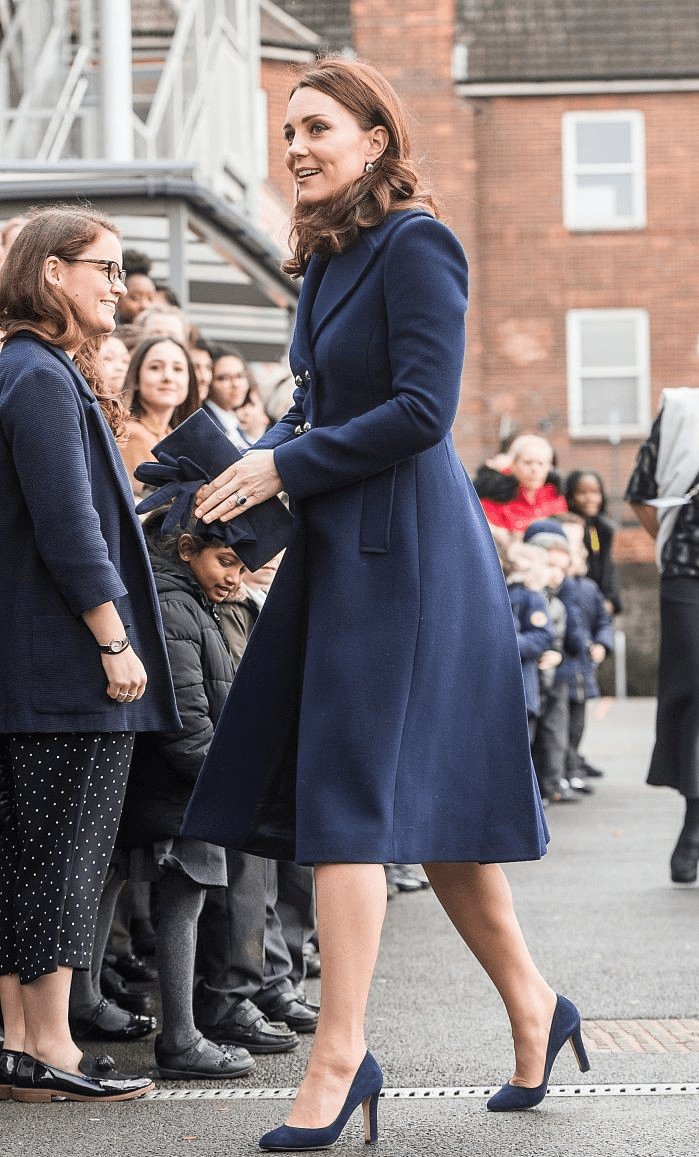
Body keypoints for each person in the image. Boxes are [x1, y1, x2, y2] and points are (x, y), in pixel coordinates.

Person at [183, 57, 589, 1150]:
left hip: (410, 553)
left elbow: (422, 410)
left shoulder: (419, 243)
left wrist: (287, 466)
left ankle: (341, 1050)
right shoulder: (322, 262)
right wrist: (243, 469)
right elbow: (314, 405)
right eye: (287, 132)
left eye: (316, 127)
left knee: (351, 799)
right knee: (439, 822)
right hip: (341, 550)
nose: (296, 146)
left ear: (374, 138)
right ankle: (538, 1009)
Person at [0, 205, 180, 1102]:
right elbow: (70, 528)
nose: (119, 284)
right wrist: (114, 638)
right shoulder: (37, 375)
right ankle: (48, 1050)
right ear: (51, 274)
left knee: (30, 854)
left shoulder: (33, 370)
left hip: (38, 663)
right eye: (103, 268)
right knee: (63, 856)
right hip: (68, 664)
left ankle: (21, 1044)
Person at [116, 515, 257, 1080]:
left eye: (244, 568)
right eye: (226, 562)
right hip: (184, 783)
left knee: (123, 888)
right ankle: (180, 1038)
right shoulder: (177, 607)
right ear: (187, 549)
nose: (235, 580)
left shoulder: (194, 600)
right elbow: (186, 723)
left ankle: (86, 1006)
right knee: (185, 896)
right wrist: (228, 785)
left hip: (185, 780)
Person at [625, 389, 699, 884]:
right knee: (694, 691)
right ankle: (693, 824)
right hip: (688, 574)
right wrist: (671, 542)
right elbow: (640, 492)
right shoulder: (682, 412)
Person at [119, 336, 200, 497]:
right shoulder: (132, 434)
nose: (168, 377)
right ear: (135, 378)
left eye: (178, 369)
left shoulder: (171, 434)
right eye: (155, 367)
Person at [476, 433, 568, 534]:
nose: (535, 469)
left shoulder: (555, 495)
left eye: (541, 463)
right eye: (527, 462)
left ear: (549, 468)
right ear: (513, 464)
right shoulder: (494, 497)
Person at [565, 470, 622, 615]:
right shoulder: (568, 528)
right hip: (577, 602)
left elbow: (607, 564)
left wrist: (611, 598)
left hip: (600, 602)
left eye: (595, 492)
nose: (590, 498)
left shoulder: (601, 528)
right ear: (571, 496)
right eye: (582, 493)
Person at [202, 349, 255, 451]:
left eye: (240, 376)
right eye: (224, 378)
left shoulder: (231, 420)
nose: (235, 384)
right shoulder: (205, 425)